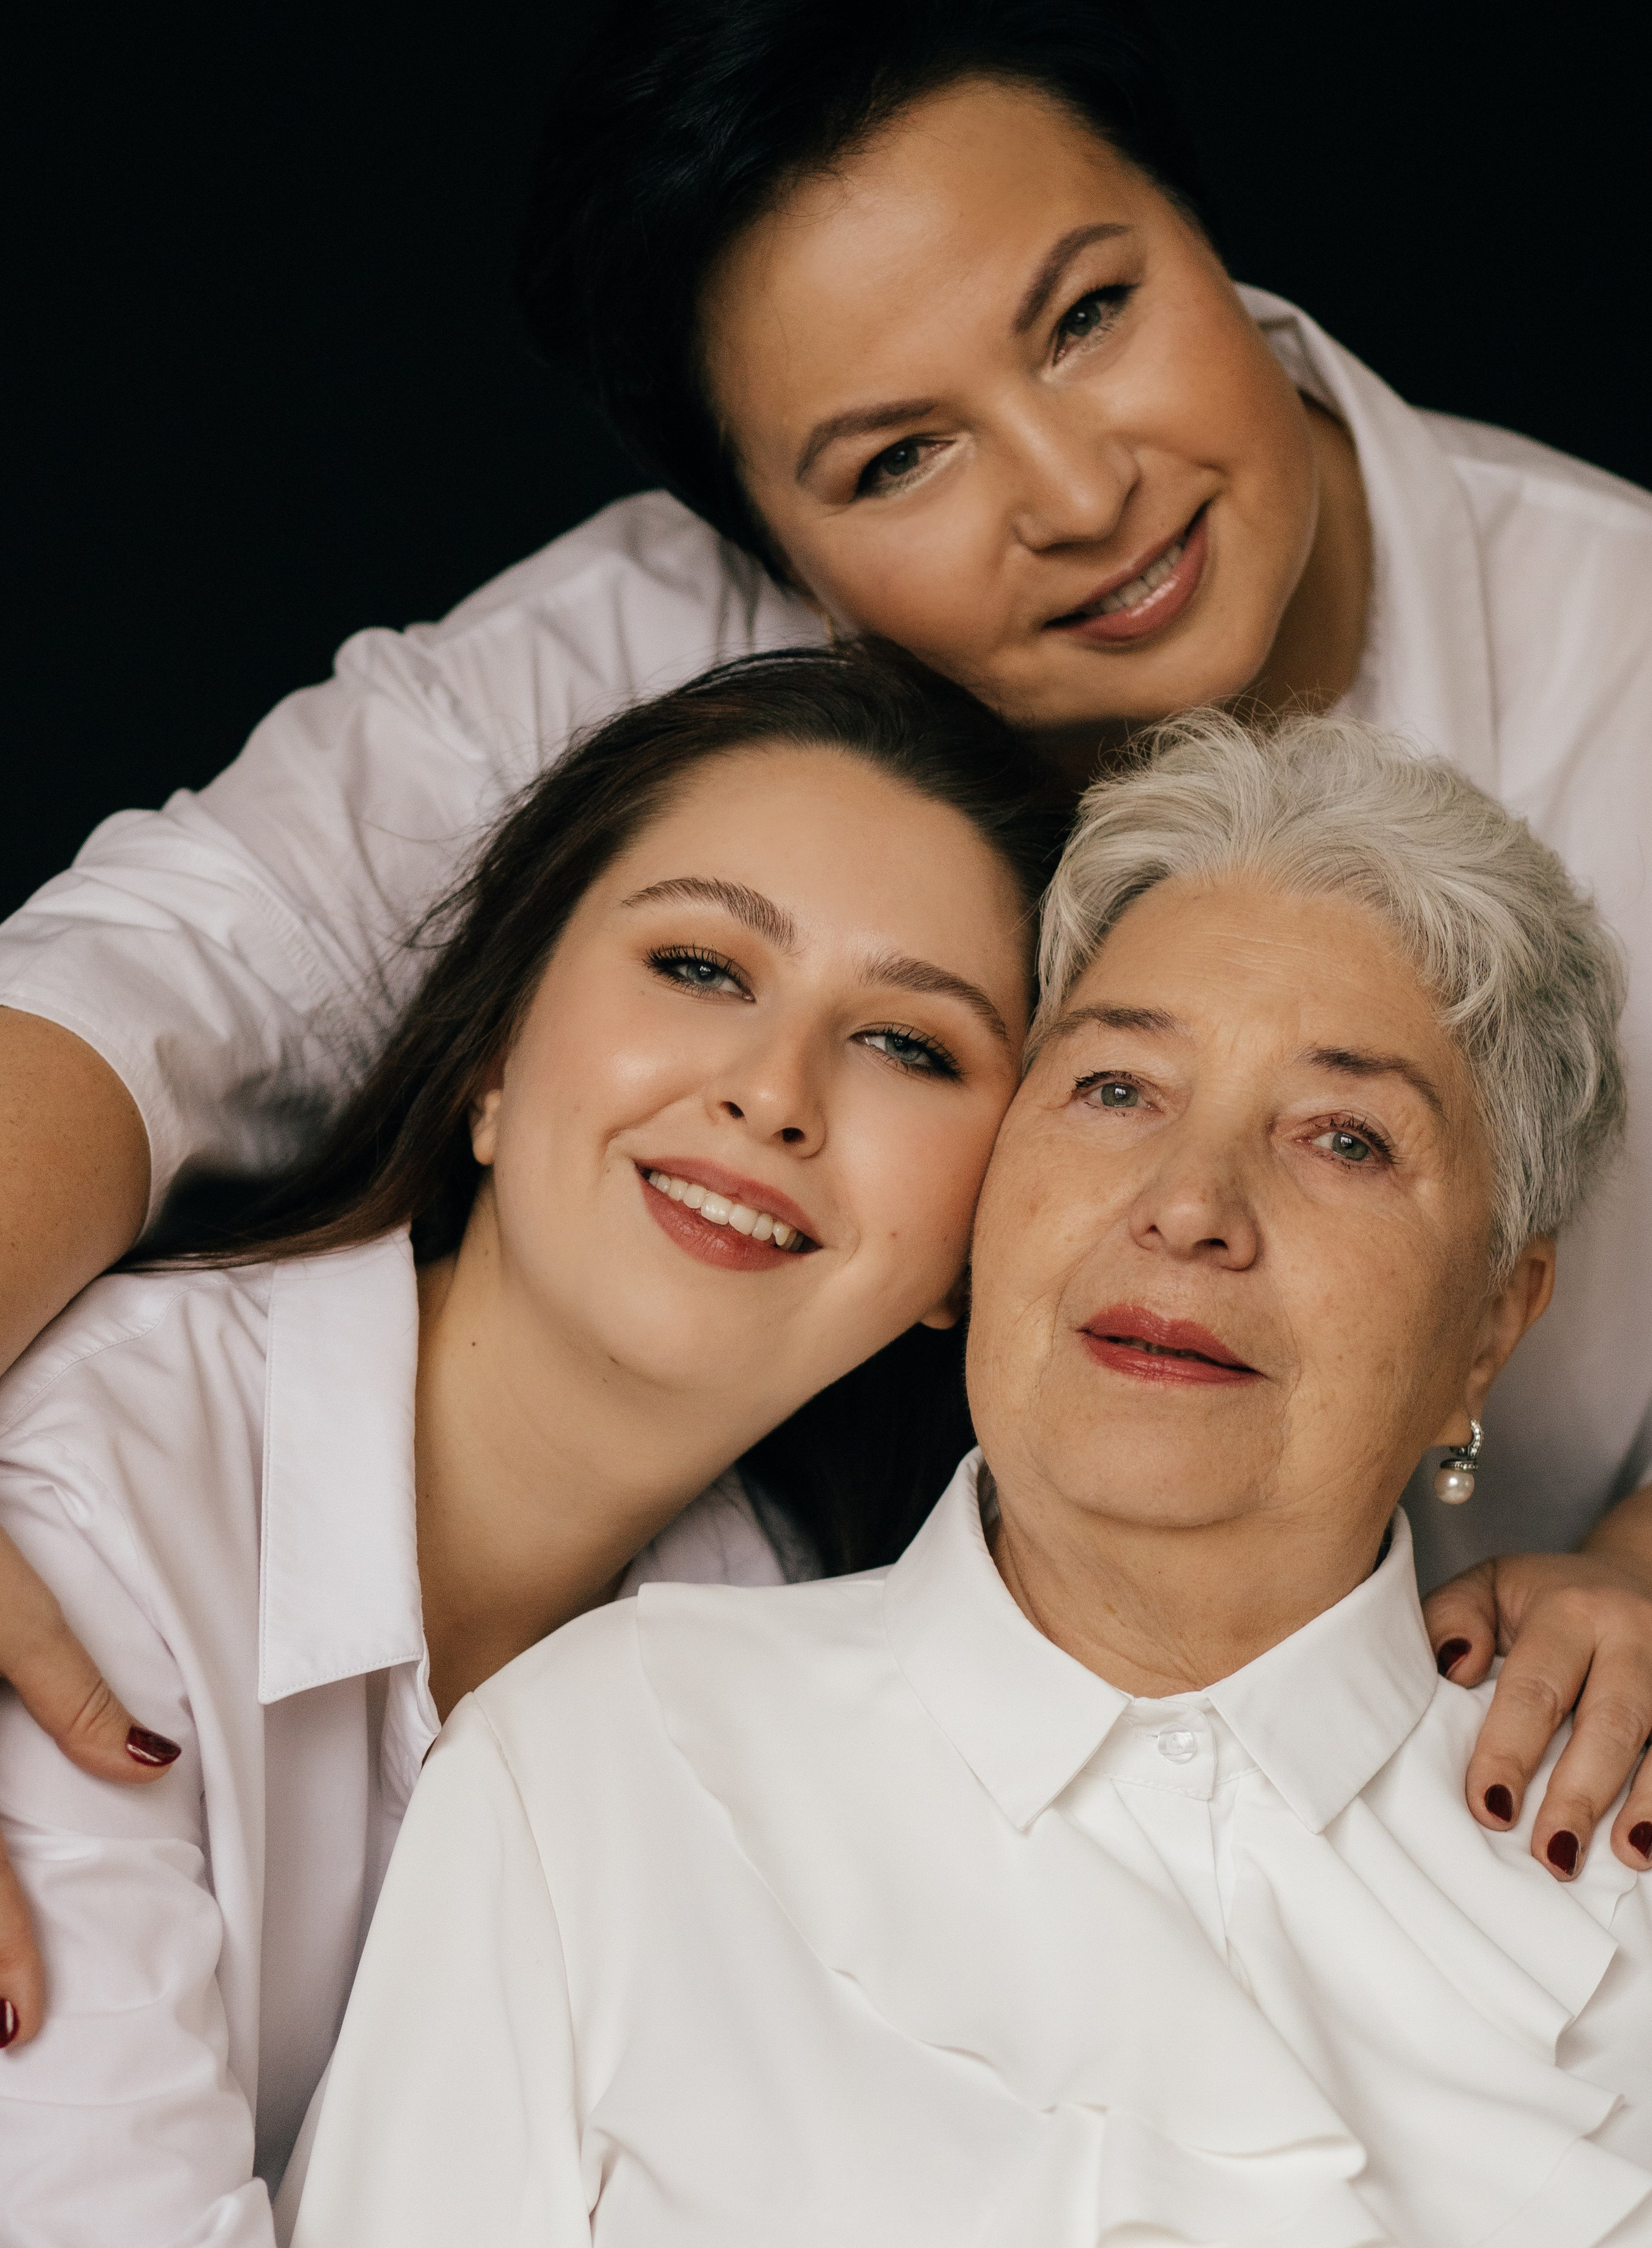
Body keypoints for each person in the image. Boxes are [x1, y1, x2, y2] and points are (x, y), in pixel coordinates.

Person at [1, 9, 1649, 2024]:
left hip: (1494, 1876)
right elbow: (168, 957)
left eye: (1090, 315)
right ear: (769, 545)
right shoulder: (661, 637)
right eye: (898, 459)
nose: (1075, 486)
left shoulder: (1629, 646)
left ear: (1206, 232)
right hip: (914, 1922)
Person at [286, 713, 1649, 2248]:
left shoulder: (1608, 1861)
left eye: (1344, 1139)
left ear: (1496, 1316)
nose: (1189, 1205)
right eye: (1114, 1088)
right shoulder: (596, 1767)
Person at [0, 645, 1133, 2248]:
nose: (775, 1091)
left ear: (967, 1256)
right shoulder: (87, 1502)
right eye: (700, 965)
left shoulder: (808, 1648)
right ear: (498, 1061)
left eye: (910, 1042)